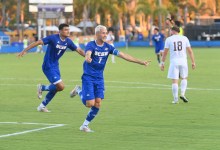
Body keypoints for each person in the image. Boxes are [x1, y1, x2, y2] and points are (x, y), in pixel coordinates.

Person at [70, 25, 151, 132]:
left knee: (98, 103)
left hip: (99, 78)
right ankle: (78, 90)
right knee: (89, 104)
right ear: (97, 34)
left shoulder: (108, 47)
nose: (105, 35)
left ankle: (84, 126)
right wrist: (87, 57)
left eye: (106, 33)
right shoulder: (91, 44)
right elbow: (88, 53)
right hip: (88, 77)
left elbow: (123, 55)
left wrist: (140, 62)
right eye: (103, 33)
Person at [17, 23, 85, 112]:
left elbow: (79, 50)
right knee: (61, 86)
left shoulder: (68, 41)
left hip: (55, 66)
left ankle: (42, 106)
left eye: (68, 30)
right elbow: (38, 42)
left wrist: (88, 57)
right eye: (65, 30)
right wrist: (24, 50)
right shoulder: (53, 38)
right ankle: (42, 87)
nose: (68, 31)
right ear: (60, 31)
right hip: (48, 66)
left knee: (57, 88)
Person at [160, 26, 196, 104]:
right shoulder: (185, 38)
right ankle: (182, 94)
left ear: (173, 31)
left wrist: (162, 63)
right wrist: (193, 62)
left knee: (174, 81)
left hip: (174, 62)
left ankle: (176, 99)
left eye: (170, 30)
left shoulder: (169, 39)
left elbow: (165, 53)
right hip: (183, 61)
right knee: (184, 78)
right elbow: (190, 51)